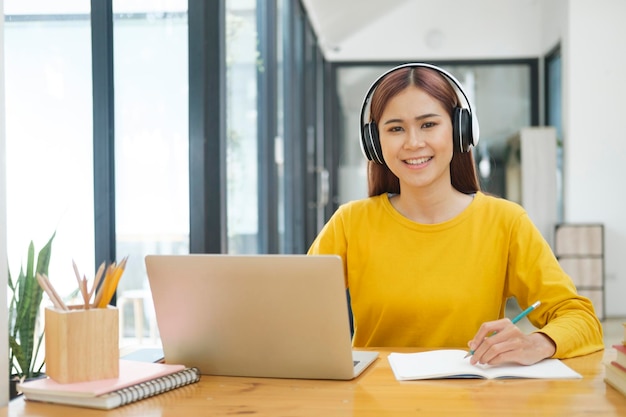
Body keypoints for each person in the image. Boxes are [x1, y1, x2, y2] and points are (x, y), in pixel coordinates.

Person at [307, 63, 604, 366]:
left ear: (461, 130)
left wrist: (538, 343)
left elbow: (580, 319)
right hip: (376, 400)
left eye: (429, 124)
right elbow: (295, 308)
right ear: (374, 142)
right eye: (395, 128)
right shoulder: (350, 223)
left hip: (471, 399)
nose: (413, 143)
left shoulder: (505, 222)